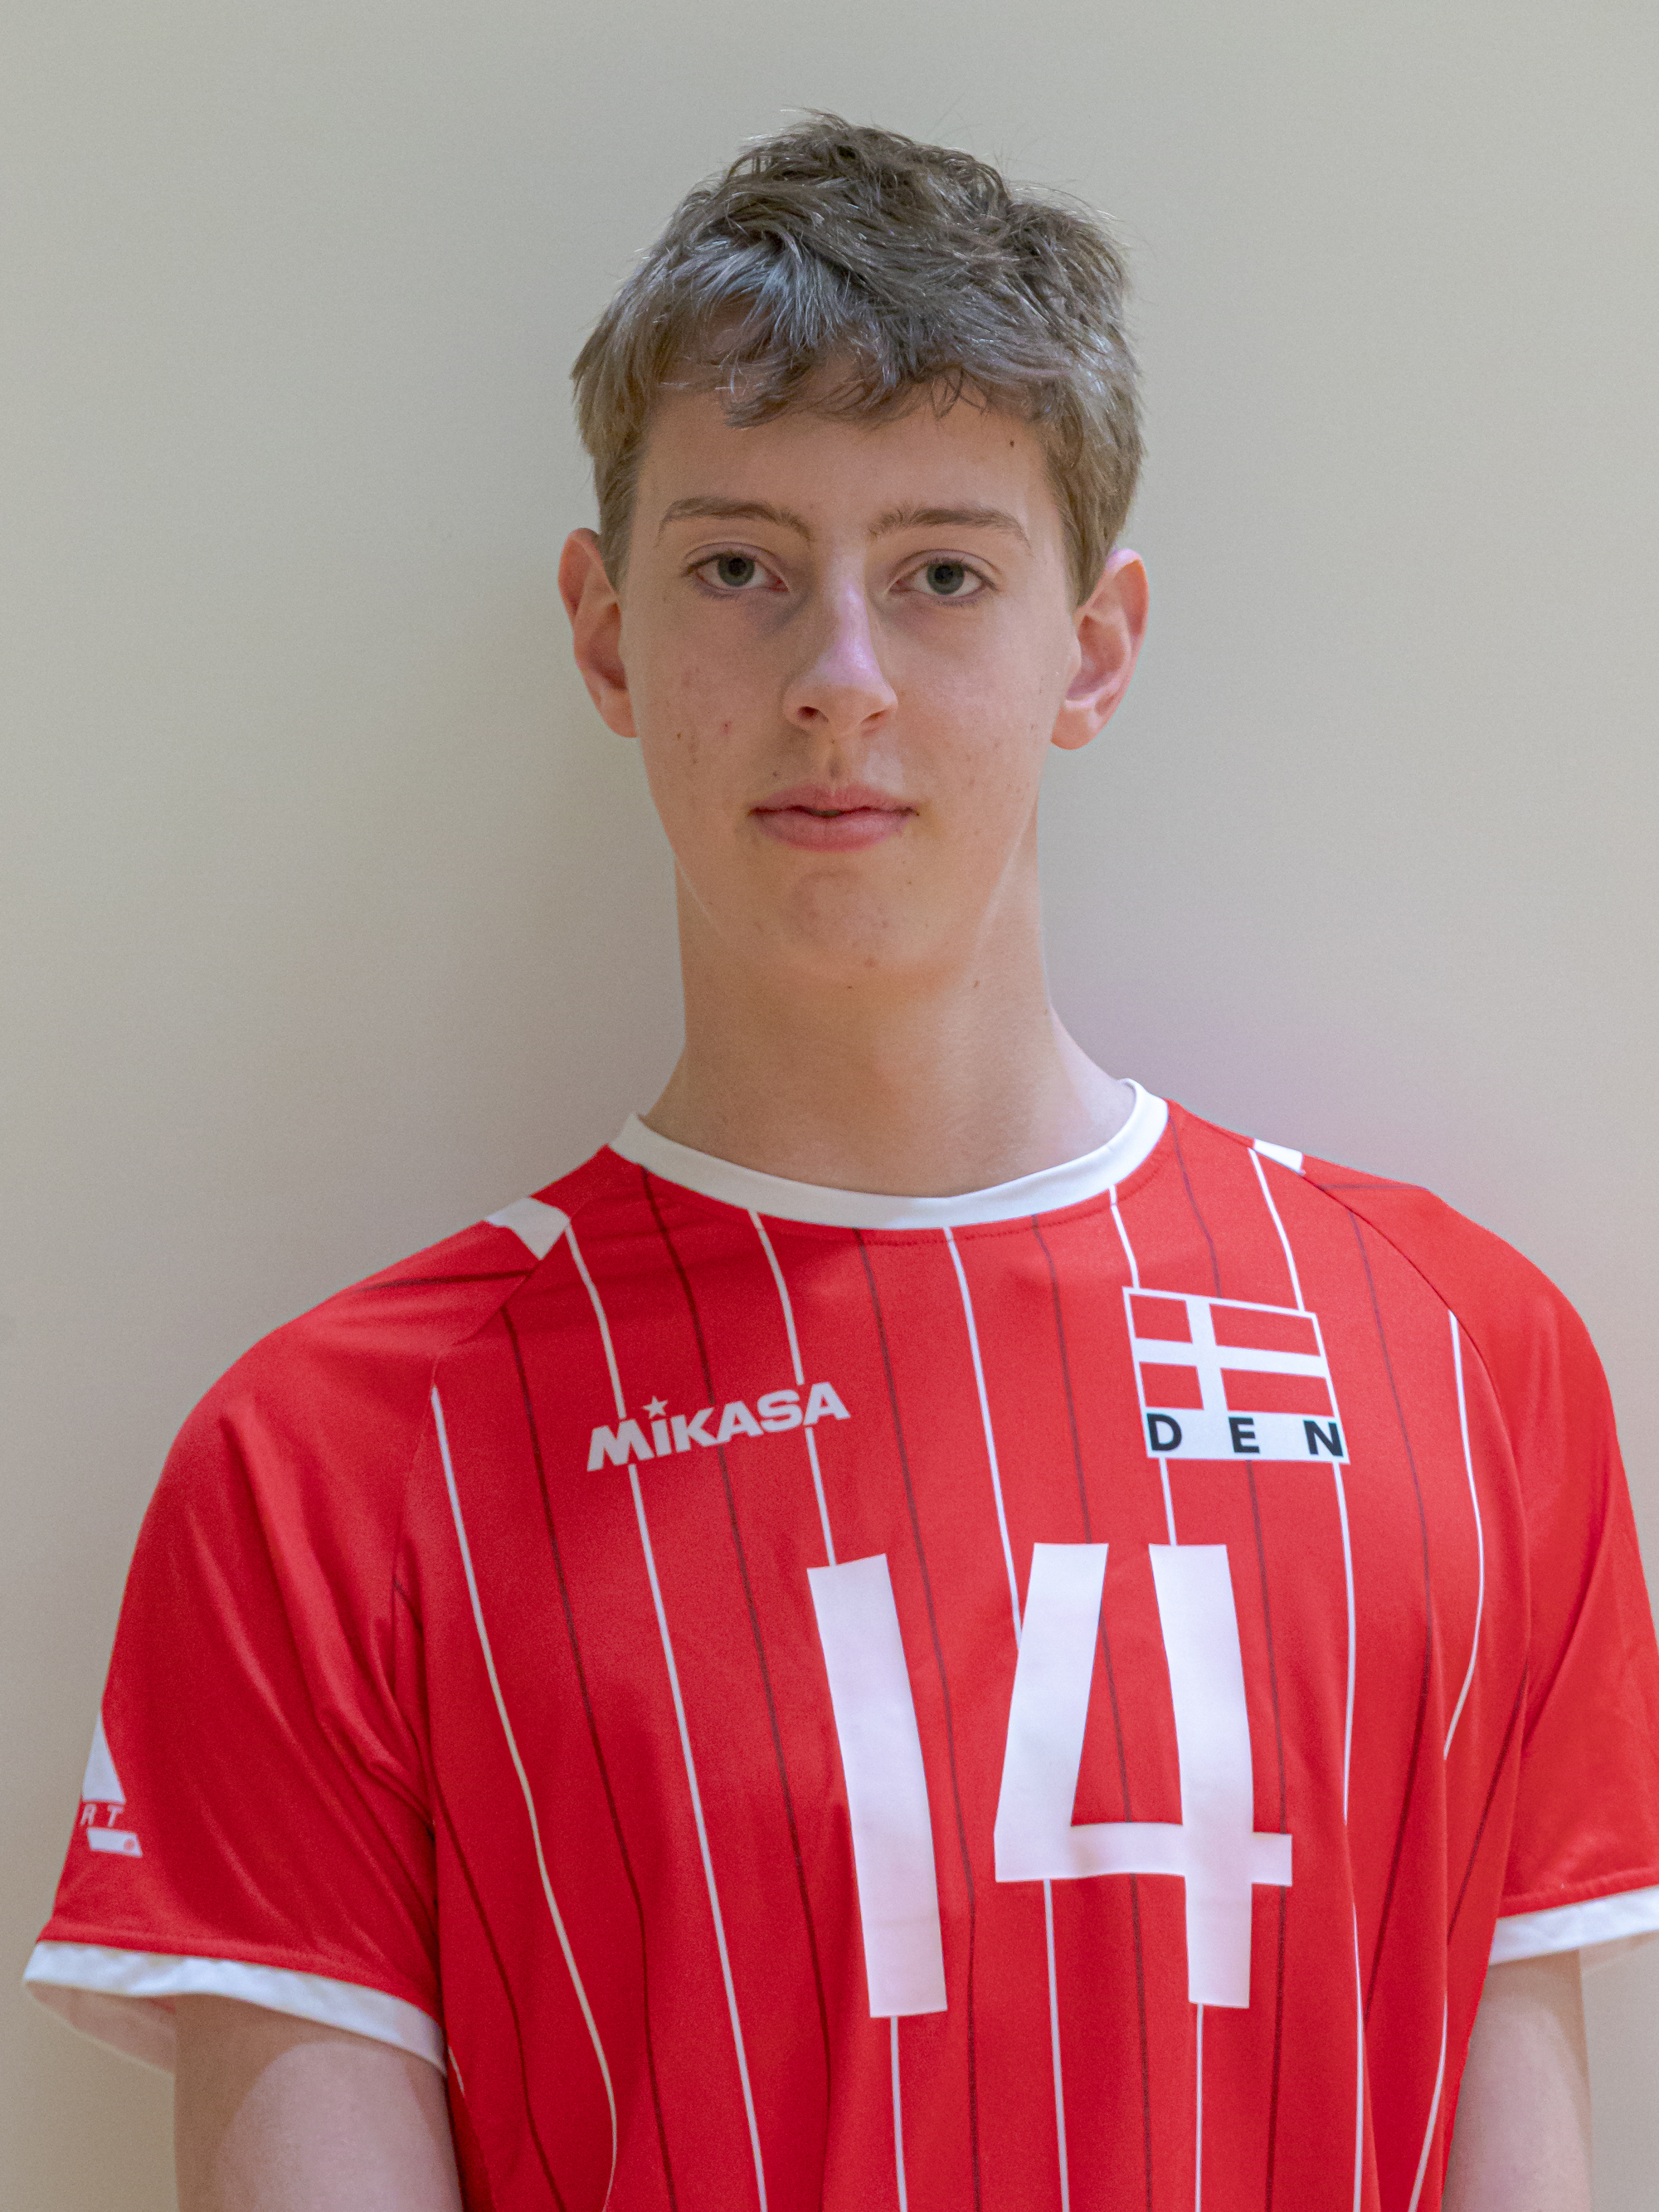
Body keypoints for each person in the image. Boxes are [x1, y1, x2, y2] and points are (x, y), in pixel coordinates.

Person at [25, 117, 1659, 2212]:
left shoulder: (1459, 1362)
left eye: (943, 574)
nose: (839, 683)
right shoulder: (327, 1471)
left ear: (1096, 645)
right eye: (740, 569)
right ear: (606, 635)